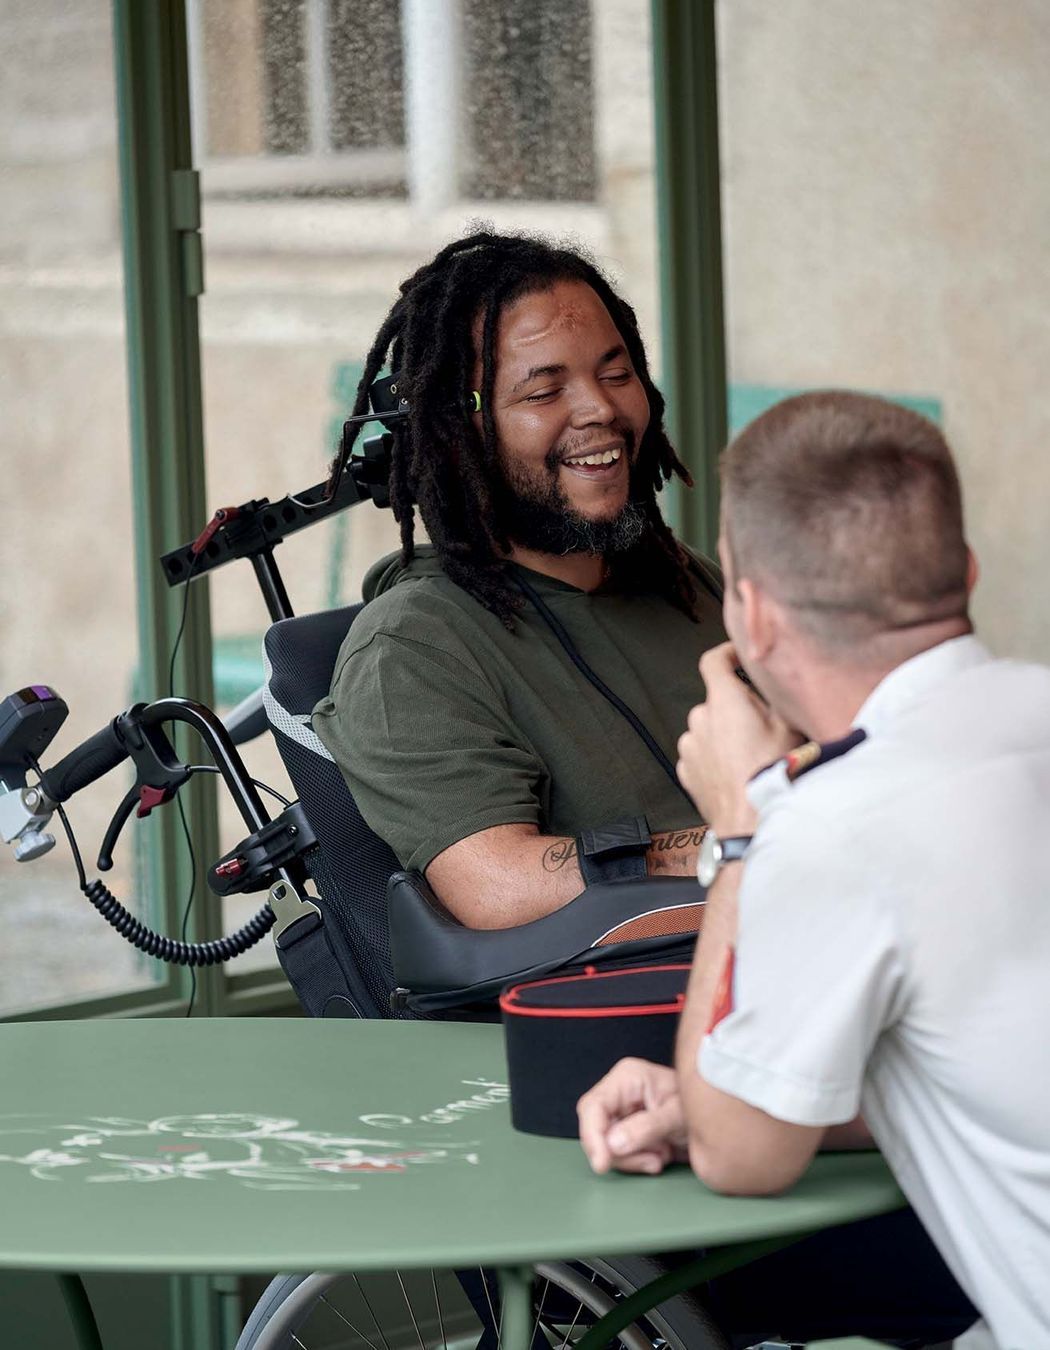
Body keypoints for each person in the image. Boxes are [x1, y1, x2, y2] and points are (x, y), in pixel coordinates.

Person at [579, 390, 1050, 1346]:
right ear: (963, 570)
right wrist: (744, 1092)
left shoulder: (829, 826)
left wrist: (747, 829)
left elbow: (738, 1156)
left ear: (750, 617)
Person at [313, 230, 727, 928]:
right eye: (545, 390)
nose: (599, 409)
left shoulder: (686, 583)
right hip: (629, 1014)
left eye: (617, 373)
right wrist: (735, 848)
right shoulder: (412, 652)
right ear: (457, 432)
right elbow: (499, 884)